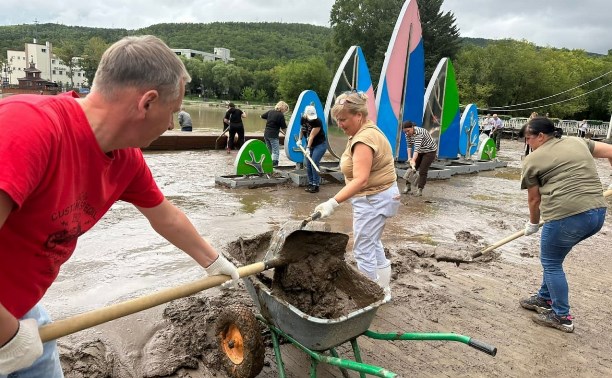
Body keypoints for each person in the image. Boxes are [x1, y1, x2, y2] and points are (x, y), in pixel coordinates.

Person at [0, 35, 240, 376]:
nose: (172, 125)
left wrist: (213, 262)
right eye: (172, 112)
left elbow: (166, 217)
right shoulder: (28, 129)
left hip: (21, 314)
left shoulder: (126, 160)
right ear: (147, 103)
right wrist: (8, 337)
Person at [518, 116, 612, 333]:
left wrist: (533, 224)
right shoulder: (577, 142)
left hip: (567, 217)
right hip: (597, 213)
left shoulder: (532, 160)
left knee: (551, 262)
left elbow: (534, 200)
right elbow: (611, 151)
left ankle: (561, 316)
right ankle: (544, 298)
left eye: (528, 138)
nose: (527, 143)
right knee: (554, 259)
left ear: (540, 136)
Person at [313, 91, 400, 292]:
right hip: (380, 196)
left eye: (343, 119)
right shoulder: (366, 131)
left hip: (373, 199)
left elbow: (361, 179)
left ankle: (368, 296)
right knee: (372, 242)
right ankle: (383, 289)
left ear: (358, 116)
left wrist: (332, 203)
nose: (340, 124)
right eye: (337, 120)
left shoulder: (364, 139)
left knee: (362, 250)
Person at [402, 121, 438, 196]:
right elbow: (409, 146)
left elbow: (416, 149)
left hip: (429, 151)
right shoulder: (407, 134)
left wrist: (413, 160)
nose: (407, 133)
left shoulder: (419, 132)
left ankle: (420, 189)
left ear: (412, 127)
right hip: (420, 151)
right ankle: (408, 186)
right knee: (411, 168)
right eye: (405, 132)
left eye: (408, 131)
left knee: (423, 170)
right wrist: (409, 158)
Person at [299, 105, 327, 193]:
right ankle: (310, 183)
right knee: (308, 163)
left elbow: (311, 136)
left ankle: (316, 185)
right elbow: (302, 129)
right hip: (310, 144)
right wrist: (300, 139)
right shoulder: (303, 119)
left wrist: (307, 148)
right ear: (306, 114)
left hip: (320, 144)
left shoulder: (317, 121)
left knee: (314, 162)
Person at [261, 101, 288, 167]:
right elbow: (284, 127)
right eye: (285, 109)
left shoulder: (270, 111)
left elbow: (261, 116)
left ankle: (267, 162)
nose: (285, 111)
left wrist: (270, 120)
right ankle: (274, 165)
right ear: (282, 107)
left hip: (266, 134)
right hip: (273, 135)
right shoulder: (280, 115)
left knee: (268, 149)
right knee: (275, 150)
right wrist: (287, 134)